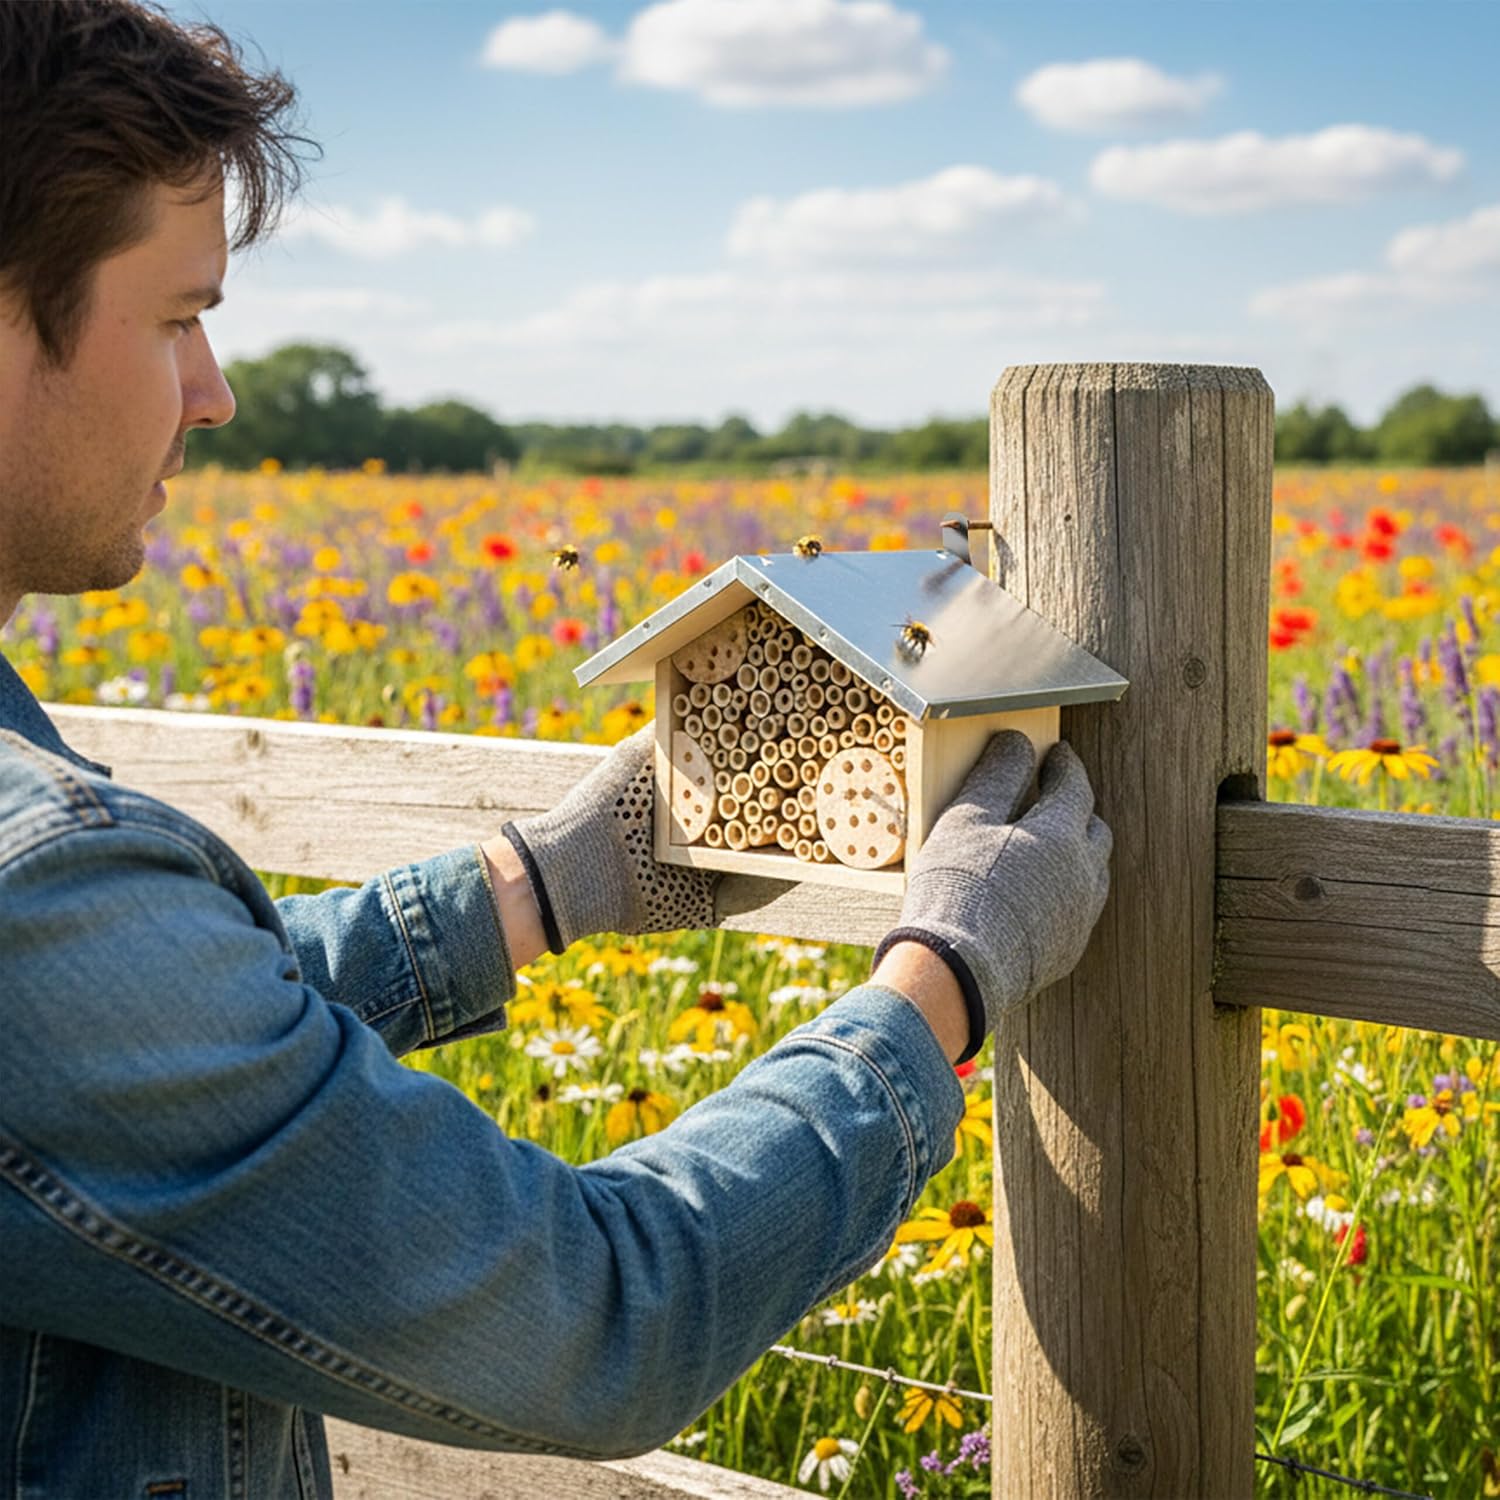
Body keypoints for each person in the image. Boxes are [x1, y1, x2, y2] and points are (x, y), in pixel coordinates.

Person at [0, 2, 1113, 1495]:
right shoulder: (39, 888)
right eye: (179, 314)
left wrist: (544, 883)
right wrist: (947, 979)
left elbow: (131, 1060)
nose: (215, 390)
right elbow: (597, 1314)